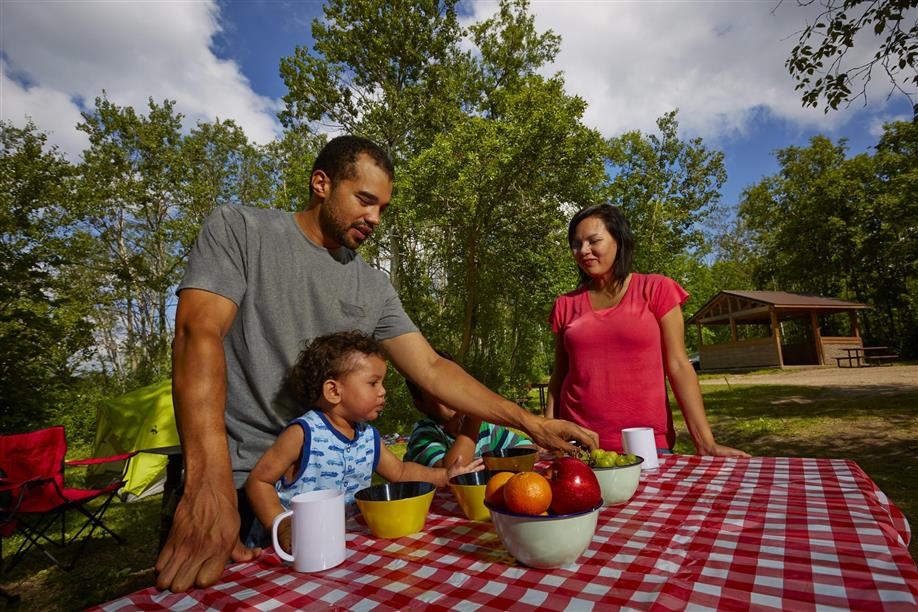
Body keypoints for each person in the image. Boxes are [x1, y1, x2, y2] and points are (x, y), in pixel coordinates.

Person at [156, 135, 598, 592]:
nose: (375, 218)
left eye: (382, 208)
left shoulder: (374, 287)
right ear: (321, 183)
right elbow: (196, 334)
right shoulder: (241, 230)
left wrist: (531, 423)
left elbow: (432, 368)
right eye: (365, 200)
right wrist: (207, 484)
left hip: (337, 509)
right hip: (239, 495)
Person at [245, 331, 483, 552]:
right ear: (333, 391)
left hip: (338, 545)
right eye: (373, 383)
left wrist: (445, 476)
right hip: (287, 552)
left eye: (382, 383)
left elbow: (401, 472)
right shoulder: (304, 434)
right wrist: (282, 526)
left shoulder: (368, 437)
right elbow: (259, 481)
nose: (383, 391)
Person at [546, 203, 748, 457]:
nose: (583, 250)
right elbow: (559, 376)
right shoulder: (565, 304)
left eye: (593, 241)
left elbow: (679, 366)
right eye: (576, 244)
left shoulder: (656, 289)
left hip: (646, 444)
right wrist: (547, 432)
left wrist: (705, 442)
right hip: (577, 445)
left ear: (619, 241)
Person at [403, 349, 535, 467]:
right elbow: (451, 472)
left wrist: (493, 463)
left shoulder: (484, 429)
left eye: (454, 384)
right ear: (420, 406)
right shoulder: (423, 435)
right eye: (437, 392)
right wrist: (475, 417)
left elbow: (528, 449)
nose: (449, 394)